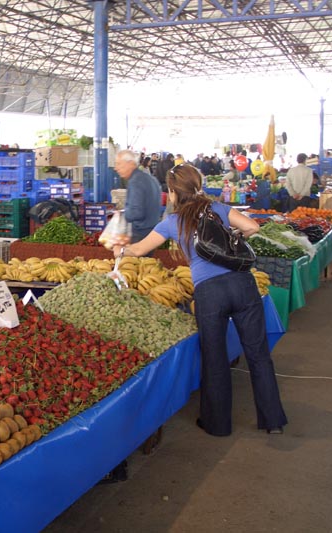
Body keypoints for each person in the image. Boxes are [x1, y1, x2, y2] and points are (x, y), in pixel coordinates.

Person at [114, 163, 287, 436]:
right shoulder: (217, 209)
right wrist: (230, 239)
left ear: (172, 192)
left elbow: (138, 249)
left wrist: (120, 250)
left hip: (210, 293)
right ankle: (273, 420)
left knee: (214, 358)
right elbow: (253, 227)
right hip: (243, 284)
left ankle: (217, 425)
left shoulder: (172, 222)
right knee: (258, 355)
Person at [114, 150, 162, 243]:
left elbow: (136, 212)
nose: (116, 168)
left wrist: (122, 214)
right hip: (152, 231)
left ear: (130, 163)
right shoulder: (150, 178)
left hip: (140, 234)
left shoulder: (135, 181)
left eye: (119, 164)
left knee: (134, 258)